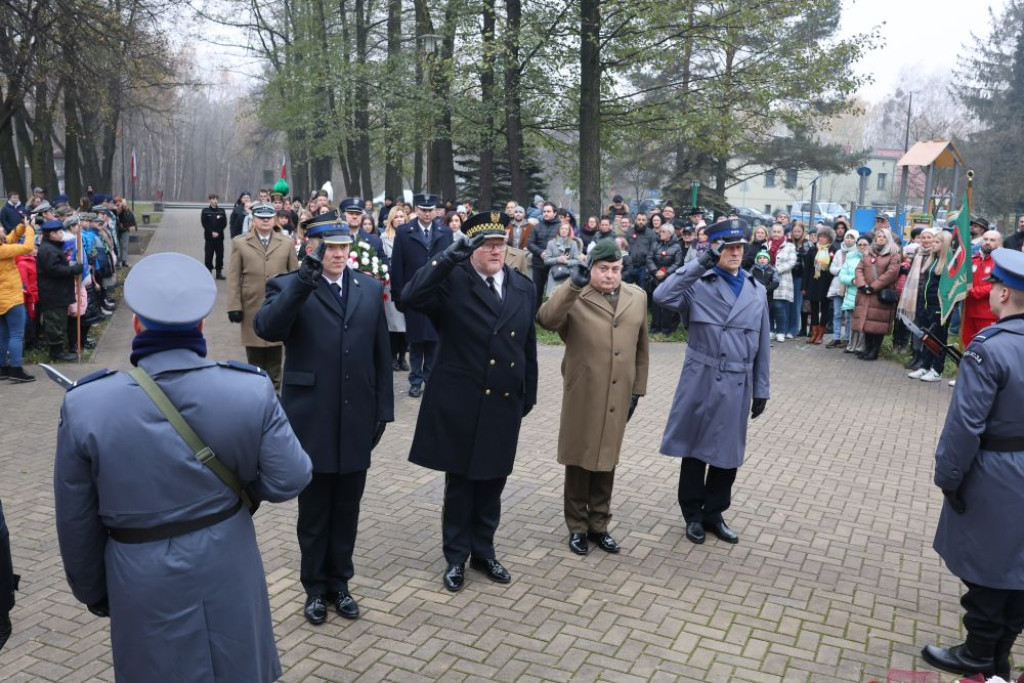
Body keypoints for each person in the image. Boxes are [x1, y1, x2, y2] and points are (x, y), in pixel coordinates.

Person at [53, 252, 313, 682]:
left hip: (139, 572)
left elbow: (76, 519)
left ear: (137, 325)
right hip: (227, 557)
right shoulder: (249, 389)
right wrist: (243, 485)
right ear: (201, 327)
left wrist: (95, 590)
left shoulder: (86, 404)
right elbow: (291, 477)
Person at [253, 213, 394, 625]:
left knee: (347, 509)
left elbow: (380, 354)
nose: (337, 254)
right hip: (311, 417)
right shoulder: (289, 286)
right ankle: (315, 589)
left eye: (342, 247)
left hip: (356, 417)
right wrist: (304, 280)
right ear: (310, 246)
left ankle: (340, 584)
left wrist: (382, 409)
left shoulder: (368, 288)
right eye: (328, 247)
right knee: (314, 513)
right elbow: (267, 328)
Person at [401, 211, 537, 592]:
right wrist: (446, 258)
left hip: (503, 400)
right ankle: (456, 557)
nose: (496, 249)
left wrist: (529, 394)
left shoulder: (522, 286)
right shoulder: (452, 282)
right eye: (487, 243)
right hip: (461, 400)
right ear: (473, 247)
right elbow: (410, 296)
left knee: (493, 481)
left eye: (501, 242)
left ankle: (484, 550)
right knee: (460, 485)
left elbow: (527, 346)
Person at [921, 248, 1024, 680]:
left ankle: (979, 652)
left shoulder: (990, 347)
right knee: (1017, 565)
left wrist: (949, 477)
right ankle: (997, 649)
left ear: (1001, 292)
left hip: (995, 470)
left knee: (985, 565)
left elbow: (965, 425)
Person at [653, 218, 770, 546]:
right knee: (695, 448)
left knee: (728, 452)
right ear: (716, 248)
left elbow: (762, 343)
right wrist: (700, 261)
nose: (735, 253)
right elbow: (662, 295)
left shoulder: (755, 289)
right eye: (728, 247)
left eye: (739, 247)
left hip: (738, 380)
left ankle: (714, 512)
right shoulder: (697, 282)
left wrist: (762, 388)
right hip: (702, 377)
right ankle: (692, 514)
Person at [537, 240, 648, 556]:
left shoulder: (636, 297)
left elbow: (642, 349)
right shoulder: (576, 296)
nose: (610, 275)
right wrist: (574, 284)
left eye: (615, 269)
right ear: (592, 267)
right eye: (603, 269)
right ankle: (577, 527)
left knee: (607, 459)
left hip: (619, 392)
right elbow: (546, 319)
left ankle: (599, 524)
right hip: (584, 392)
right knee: (580, 459)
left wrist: (637, 390)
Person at [226, 201, 299, 390]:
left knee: (276, 361)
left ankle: (275, 397)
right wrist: (234, 306)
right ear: (254, 219)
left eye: (268, 218)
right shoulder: (240, 243)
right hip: (252, 306)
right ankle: (256, 398)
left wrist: (296, 305)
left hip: (278, 306)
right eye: (261, 218)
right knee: (254, 361)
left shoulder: (286, 242)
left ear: (273, 219)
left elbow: (294, 275)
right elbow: (234, 277)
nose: (265, 221)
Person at [389, 194, 453, 398]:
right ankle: (415, 380)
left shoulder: (445, 232)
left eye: (430, 210)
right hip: (414, 292)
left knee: (434, 339)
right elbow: (397, 265)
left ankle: (430, 378)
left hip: (438, 294)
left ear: (435, 211)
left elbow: (452, 265)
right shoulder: (404, 231)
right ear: (416, 210)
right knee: (416, 340)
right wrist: (398, 295)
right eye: (423, 210)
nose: (427, 213)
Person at [36, 219, 82, 362]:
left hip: (57, 291)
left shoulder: (52, 247)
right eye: (59, 232)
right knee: (55, 322)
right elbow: (54, 269)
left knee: (59, 321)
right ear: (51, 234)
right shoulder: (48, 249)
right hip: (53, 293)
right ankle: (56, 353)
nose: (62, 234)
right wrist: (72, 269)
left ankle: (58, 350)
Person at [852, 227, 901, 361]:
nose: (881, 238)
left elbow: (891, 274)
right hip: (865, 293)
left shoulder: (894, 254)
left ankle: (874, 351)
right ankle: (867, 349)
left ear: (888, 239)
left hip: (880, 294)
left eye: (884, 236)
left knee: (878, 325)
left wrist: (873, 287)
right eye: (879, 236)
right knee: (867, 323)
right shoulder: (868, 252)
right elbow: (859, 269)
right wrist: (862, 285)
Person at [0, 218, 35, 382]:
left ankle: (3, 369)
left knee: (3, 335)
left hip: (2, 300)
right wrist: (30, 228)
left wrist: (22, 224)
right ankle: (16, 369)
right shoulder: (3, 250)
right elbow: (28, 247)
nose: (2, 230)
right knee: (16, 335)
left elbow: (11, 238)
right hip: (11, 298)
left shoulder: (3, 246)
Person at [961, 230, 1003, 349]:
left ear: (999, 243)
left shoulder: (1000, 262)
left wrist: (972, 292)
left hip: (988, 313)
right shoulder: (973, 259)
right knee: (968, 346)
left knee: (986, 348)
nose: (988, 242)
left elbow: (996, 286)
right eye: (985, 239)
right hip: (968, 311)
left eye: (992, 240)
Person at [382, 207, 409, 371]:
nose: (399, 219)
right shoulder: (384, 238)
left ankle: (402, 357)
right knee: (392, 323)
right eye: (396, 217)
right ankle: (392, 356)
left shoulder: (410, 236)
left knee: (405, 323)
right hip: (390, 283)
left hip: (407, 283)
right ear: (391, 219)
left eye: (402, 216)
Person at [647, 222, 683, 334]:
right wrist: (655, 271)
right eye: (660, 231)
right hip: (655, 277)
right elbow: (649, 258)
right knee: (655, 304)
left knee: (667, 305)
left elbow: (677, 263)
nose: (660, 233)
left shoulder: (677, 246)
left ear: (670, 233)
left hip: (668, 279)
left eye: (663, 231)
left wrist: (665, 273)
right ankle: (654, 328)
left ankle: (666, 329)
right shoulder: (655, 244)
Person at [802, 225, 836, 344]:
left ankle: (821, 334)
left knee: (825, 309)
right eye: (820, 236)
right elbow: (806, 270)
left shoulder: (833, 251)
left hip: (827, 284)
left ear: (829, 239)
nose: (821, 239)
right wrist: (804, 287)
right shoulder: (812, 251)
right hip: (813, 283)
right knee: (814, 309)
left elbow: (834, 269)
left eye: (824, 237)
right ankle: (814, 332)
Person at [826, 229, 859, 348]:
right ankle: (836, 337)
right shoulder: (839, 252)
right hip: (837, 287)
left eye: (852, 238)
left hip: (850, 287)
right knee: (837, 313)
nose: (849, 240)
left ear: (855, 240)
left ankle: (847, 338)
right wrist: (843, 270)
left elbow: (856, 270)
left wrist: (846, 274)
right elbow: (832, 268)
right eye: (847, 237)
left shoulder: (857, 253)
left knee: (848, 315)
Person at [527, 202, 561, 308]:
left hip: (555, 264)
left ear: (555, 213)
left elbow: (566, 243)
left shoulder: (561, 227)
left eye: (548, 211)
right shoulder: (537, 227)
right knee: (537, 291)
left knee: (553, 292)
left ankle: (550, 316)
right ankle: (535, 314)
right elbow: (530, 243)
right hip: (538, 263)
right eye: (544, 211)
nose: (546, 213)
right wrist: (540, 252)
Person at [543, 219, 582, 296]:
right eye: (562, 228)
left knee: (566, 300)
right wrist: (558, 259)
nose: (564, 231)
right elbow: (546, 260)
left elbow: (577, 260)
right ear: (558, 230)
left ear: (569, 231)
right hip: (555, 275)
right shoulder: (551, 243)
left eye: (566, 229)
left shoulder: (573, 243)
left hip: (568, 275)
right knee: (553, 299)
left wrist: (567, 262)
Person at [201, 194, 227, 279]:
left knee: (220, 256)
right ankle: (208, 273)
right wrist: (211, 232)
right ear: (209, 200)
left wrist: (218, 232)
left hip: (219, 238)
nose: (215, 201)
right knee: (208, 256)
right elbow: (204, 224)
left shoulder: (222, 211)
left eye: (216, 199)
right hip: (209, 238)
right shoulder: (205, 211)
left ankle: (219, 273)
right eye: (213, 199)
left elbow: (224, 224)